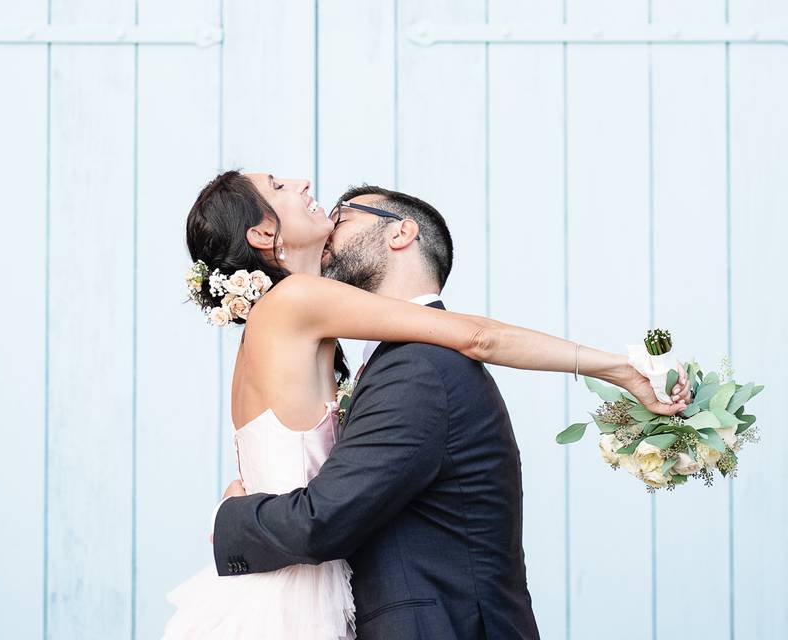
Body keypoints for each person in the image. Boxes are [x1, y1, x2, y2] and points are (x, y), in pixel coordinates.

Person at [162, 171, 691, 639]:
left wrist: (240, 507)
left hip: (307, 585)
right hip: (298, 593)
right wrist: (616, 367)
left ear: (401, 233)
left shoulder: (291, 333)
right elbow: (477, 337)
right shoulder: (297, 303)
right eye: (278, 186)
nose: (303, 182)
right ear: (261, 234)